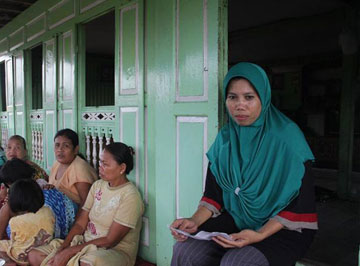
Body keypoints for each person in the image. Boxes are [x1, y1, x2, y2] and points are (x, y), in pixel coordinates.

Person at [170, 62, 318, 266]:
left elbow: (300, 205)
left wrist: (259, 234)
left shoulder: (288, 141)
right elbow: (214, 195)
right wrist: (193, 221)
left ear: (263, 99)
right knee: (186, 250)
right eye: (232, 97)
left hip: (284, 226)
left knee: (239, 262)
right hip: (238, 218)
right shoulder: (225, 140)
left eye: (249, 97)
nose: (240, 105)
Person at [28, 142, 144, 266]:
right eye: (100, 162)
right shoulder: (98, 185)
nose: (100, 167)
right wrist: (64, 247)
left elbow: (110, 240)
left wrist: (70, 252)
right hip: (84, 243)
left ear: (122, 168)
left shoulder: (130, 195)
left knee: (86, 263)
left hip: (113, 251)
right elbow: (80, 224)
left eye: (105, 164)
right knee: (34, 255)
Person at [0, 128, 98, 241]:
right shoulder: (57, 164)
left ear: (76, 149)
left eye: (66, 146)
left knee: (32, 218)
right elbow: (51, 187)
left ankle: (25, 237)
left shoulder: (80, 167)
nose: (60, 150)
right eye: (57, 145)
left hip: (68, 213)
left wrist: (75, 229)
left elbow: (86, 203)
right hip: (50, 206)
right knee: (12, 205)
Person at [0, 178, 55, 265]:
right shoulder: (47, 211)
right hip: (40, 253)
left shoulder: (15, 221)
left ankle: (8, 261)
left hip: (20, 257)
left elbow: (14, 241)